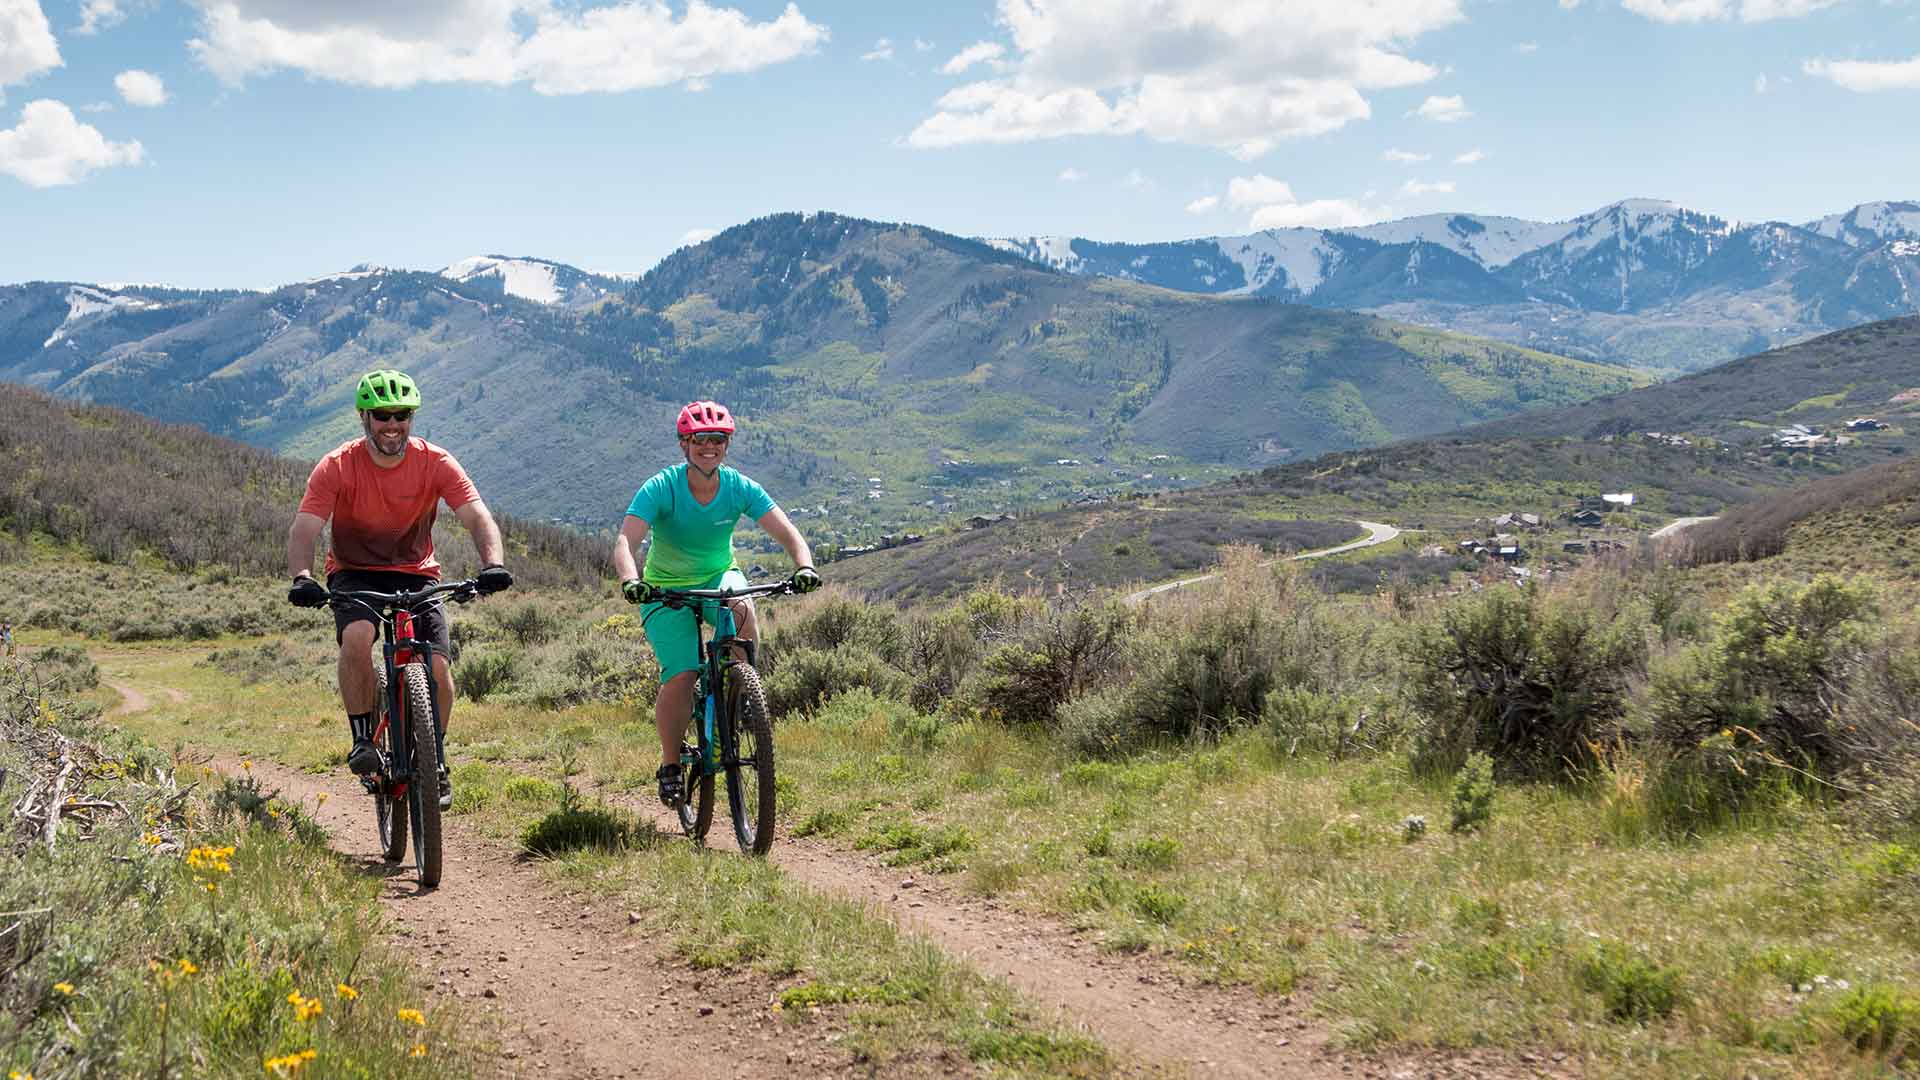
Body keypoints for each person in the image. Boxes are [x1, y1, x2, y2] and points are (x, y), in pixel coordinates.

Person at [285, 369, 512, 809]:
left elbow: (476, 516)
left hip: (416, 571)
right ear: (365, 418)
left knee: (439, 672)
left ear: (412, 417)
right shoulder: (337, 465)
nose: (393, 425)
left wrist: (493, 564)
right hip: (356, 571)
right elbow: (306, 527)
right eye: (383, 416)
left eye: (402, 415)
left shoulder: (436, 462)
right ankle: (361, 738)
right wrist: (302, 576)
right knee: (356, 638)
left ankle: (434, 761)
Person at [611, 400, 820, 806]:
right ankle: (671, 764)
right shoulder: (661, 487)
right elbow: (625, 540)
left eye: (718, 440)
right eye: (700, 439)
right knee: (683, 674)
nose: (709, 447)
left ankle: (742, 694)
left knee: (742, 606)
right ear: (684, 445)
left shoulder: (739, 487)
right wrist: (631, 580)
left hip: (716, 575)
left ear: (727, 444)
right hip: (664, 589)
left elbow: (787, 531)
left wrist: (805, 566)